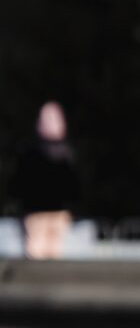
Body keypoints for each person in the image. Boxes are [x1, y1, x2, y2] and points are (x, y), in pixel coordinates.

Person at [7, 101, 79, 259]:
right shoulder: (30, 152)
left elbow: (74, 186)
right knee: (35, 257)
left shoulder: (67, 153)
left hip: (59, 215)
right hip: (36, 215)